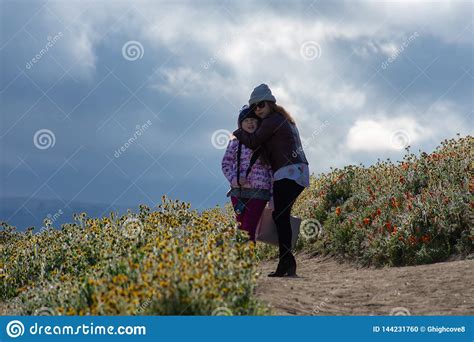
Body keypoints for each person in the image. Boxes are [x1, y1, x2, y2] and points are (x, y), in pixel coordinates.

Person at [232, 84, 309, 277]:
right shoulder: (283, 118)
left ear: (271, 103)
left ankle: (288, 263)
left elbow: (252, 141)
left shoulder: (272, 120)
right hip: (297, 172)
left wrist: (238, 130)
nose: (258, 109)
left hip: (288, 172)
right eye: (255, 106)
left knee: (280, 217)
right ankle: (286, 263)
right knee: (280, 216)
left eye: (261, 104)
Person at [221, 105, 273, 243]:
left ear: (258, 123)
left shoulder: (265, 143)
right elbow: (225, 164)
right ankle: (242, 260)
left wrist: (273, 195)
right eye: (246, 120)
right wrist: (234, 180)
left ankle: (247, 261)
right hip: (238, 193)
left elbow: (271, 170)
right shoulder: (234, 142)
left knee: (249, 228)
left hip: (259, 192)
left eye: (253, 120)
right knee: (241, 227)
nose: (250, 123)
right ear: (240, 124)